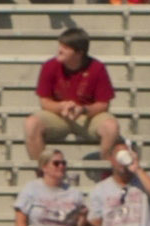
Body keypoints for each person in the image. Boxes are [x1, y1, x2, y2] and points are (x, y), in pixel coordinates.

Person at [30, 26, 122, 165]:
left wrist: (83, 109)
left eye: (65, 48)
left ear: (79, 53)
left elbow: (103, 104)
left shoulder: (97, 68)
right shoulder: (50, 66)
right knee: (31, 123)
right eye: (60, 45)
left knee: (111, 127)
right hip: (58, 116)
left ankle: (106, 170)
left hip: (88, 117)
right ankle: (42, 172)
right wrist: (61, 106)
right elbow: (44, 101)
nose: (59, 50)